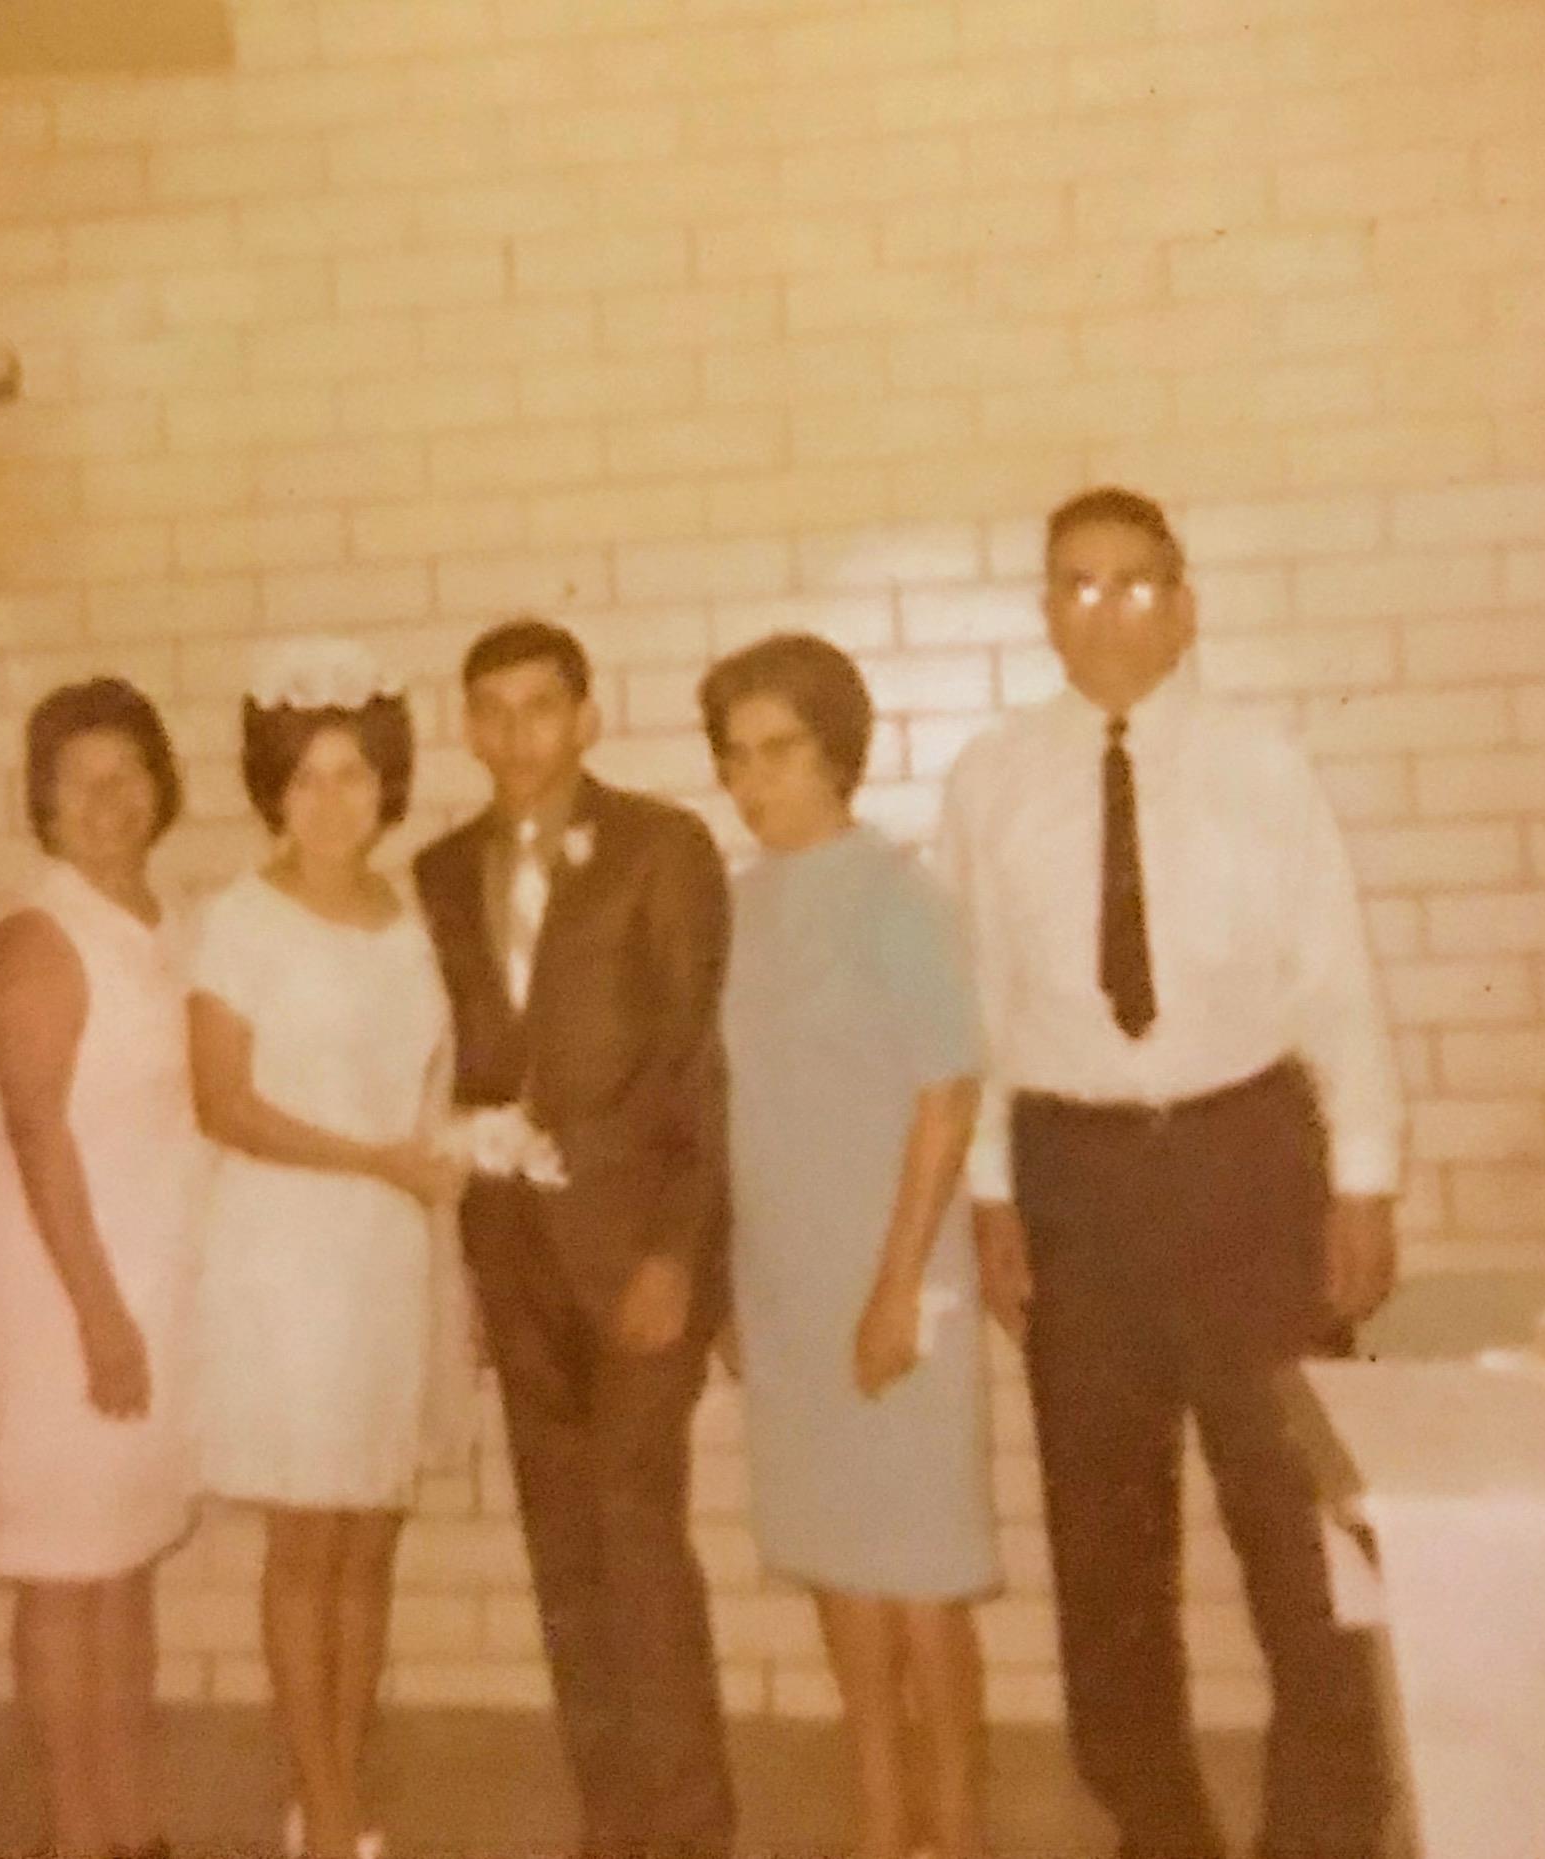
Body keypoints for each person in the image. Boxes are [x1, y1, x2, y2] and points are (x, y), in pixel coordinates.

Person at [938, 487, 1400, 1859]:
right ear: (1043, 612)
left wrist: (1363, 1180)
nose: (1109, 609)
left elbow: (1339, 986)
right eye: (1077, 584)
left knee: (1301, 1530)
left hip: (1251, 1165)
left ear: (1186, 602)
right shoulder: (990, 779)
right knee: (1106, 1541)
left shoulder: (1265, 764)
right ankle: (1159, 1822)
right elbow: (971, 1006)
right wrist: (990, 1193)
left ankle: (1322, 1829)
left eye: (1137, 582)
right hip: (1075, 1178)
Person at [414, 618, 735, 1859]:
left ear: (585, 716)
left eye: (539, 705)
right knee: (562, 1548)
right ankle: (613, 1820)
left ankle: (691, 1827)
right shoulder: (440, 871)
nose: (514, 734)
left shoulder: (661, 847)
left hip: (637, 1254)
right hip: (513, 1257)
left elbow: (696, 1063)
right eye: (488, 708)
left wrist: (674, 1253)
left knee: (634, 1531)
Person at [699, 634, 999, 1859]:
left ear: (837, 753)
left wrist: (890, 1287)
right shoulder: (737, 902)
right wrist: (730, 1279)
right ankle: (880, 1822)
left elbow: (946, 1095)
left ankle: (958, 1829)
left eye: (779, 751)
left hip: (897, 1272)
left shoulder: (895, 893)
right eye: (733, 757)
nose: (754, 780)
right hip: (784, 1280)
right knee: (838, 1560)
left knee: (919, 1573)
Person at [189, 639, 462, 1859]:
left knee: (368, 1533)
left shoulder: (410, 914)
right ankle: (328, 1802)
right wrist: (376, 1165)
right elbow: (222, 1102)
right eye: (304, 777)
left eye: (354, 774)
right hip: (291, 1254)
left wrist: (435, 1165)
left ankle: (335, 1778)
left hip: (393, 1253)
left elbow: (431, 1081)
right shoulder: (235, 920)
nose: (331, 800)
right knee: (307, 1538)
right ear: (271, 788)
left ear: (387, 782)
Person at [0, 678, 200, 1858]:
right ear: (40, 803)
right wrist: (99, 1313)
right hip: (64, 1287)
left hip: (147, 1274)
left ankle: (135, 1827)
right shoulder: (36, 934)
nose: (109, 798)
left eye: (127, 772)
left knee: (125, 1556)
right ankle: (72, 1834)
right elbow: (39, 1132)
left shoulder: (157, 918)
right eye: (78, 780)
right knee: (65, 1567)